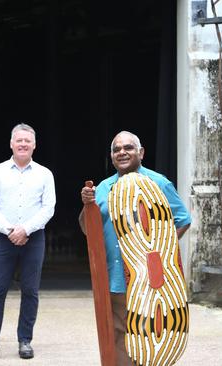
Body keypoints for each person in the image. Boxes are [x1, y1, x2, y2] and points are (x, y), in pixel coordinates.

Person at [79, 131, 191, 365]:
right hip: (115, 278)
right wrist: (87, 206)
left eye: (128, 148)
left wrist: (159, 254)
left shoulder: (158, 183)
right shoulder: (103, 189)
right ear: (111, 157)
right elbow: (88, 228)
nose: (122, 152)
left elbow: (182, 219)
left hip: (150, 279)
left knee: (149, 334)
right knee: (119, 334)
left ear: (141, 153)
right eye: (116, 149)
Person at [0, 123, 56, 362]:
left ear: (34, 145)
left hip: (34, 239)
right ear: (11, 144)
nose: (23, 144)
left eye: (28, 140)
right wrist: (9, 230)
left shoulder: (45, 174)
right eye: (19, 140)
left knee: (30, 291)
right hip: (3, 239)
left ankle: (25, 341)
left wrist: (26, 229)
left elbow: (48, 208)